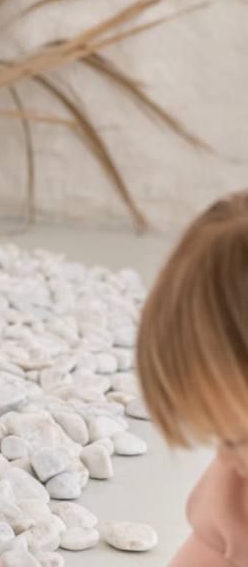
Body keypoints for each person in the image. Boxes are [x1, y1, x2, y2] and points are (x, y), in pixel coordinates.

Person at [135, 189, 248, 567]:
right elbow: (209, 549)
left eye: (239, 439)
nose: (227, 458)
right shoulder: (234, 492)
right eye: (223, 438)